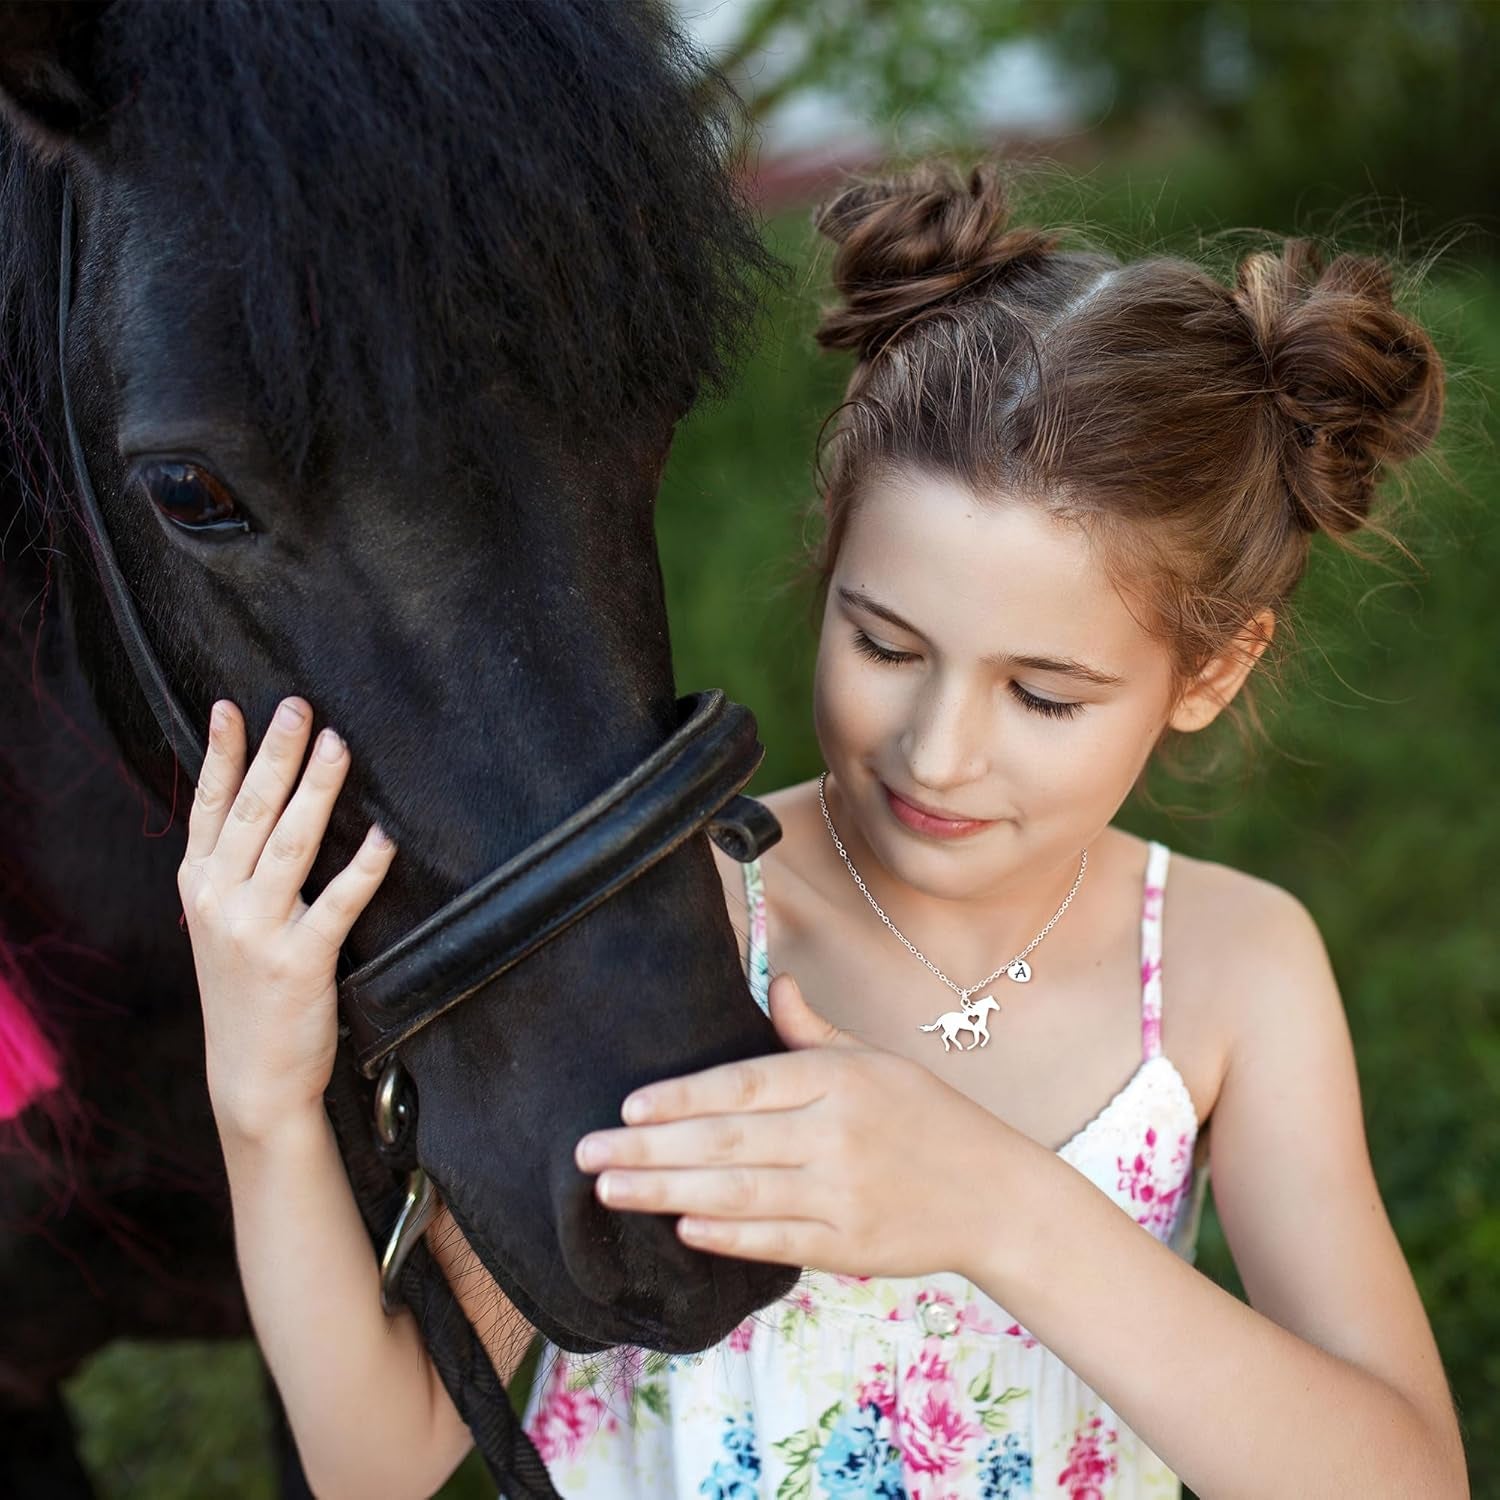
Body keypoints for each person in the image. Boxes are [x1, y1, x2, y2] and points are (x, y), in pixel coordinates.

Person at [178, 160, 1470, 1499]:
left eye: (1042, 694)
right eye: (885, 642)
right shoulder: (665, 933)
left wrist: (995, 1206)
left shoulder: (1228, 972)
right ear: (830, 560)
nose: (938, 751)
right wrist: (263, 1100)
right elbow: (373, 1459)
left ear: (1210, 672)